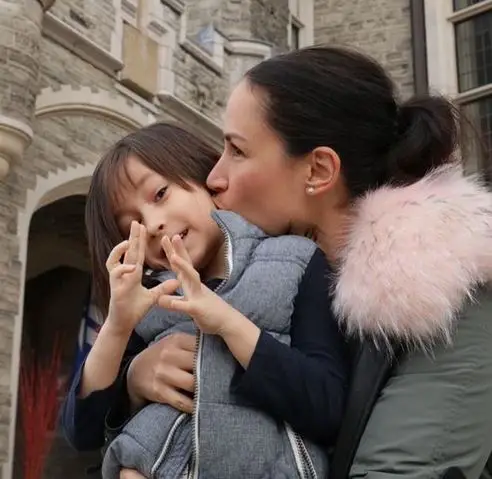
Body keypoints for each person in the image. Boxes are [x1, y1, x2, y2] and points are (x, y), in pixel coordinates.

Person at [63, 45, 492, 478]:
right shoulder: (242, 271)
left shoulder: (450, 304)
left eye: (237, 150)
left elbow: (352, 429)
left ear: (317, 171)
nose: (214, 176)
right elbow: (86, 425)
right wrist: (134, 379)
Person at [62, 122, 348, 478]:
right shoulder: (149, 301)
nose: (152, 224)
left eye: (160, 194)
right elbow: (82, 431)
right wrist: (128, 360)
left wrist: (228, 324)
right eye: (131, 224)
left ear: (205, 177)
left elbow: (328, 407)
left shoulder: (297, 262)